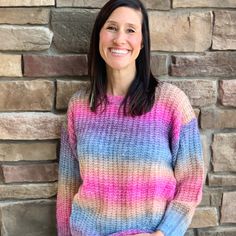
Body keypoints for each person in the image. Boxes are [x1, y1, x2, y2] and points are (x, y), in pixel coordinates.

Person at [56, 0, 204, 235]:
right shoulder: (79, 106)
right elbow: (68, 187)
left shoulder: (171, 102)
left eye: (131, 30)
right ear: (99, 36)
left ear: (142, 41)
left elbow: (191, 182)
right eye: (112, 28)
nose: (119, 39)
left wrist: (163, 233)